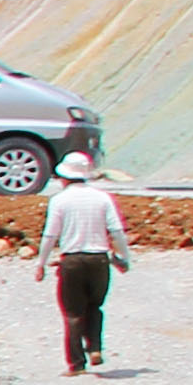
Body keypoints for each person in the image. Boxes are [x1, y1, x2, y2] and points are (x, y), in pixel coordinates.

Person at [35, 151, 133, 373]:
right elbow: (116, 231)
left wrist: (40, 263)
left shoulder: (59, 200)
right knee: (95, 306)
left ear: (65, 177)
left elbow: (50, 235)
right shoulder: (103, 198)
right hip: (99, 259)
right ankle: (95, 347)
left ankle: (76, 363)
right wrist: (123, 258)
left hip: (71, 261)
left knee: (72, 313)